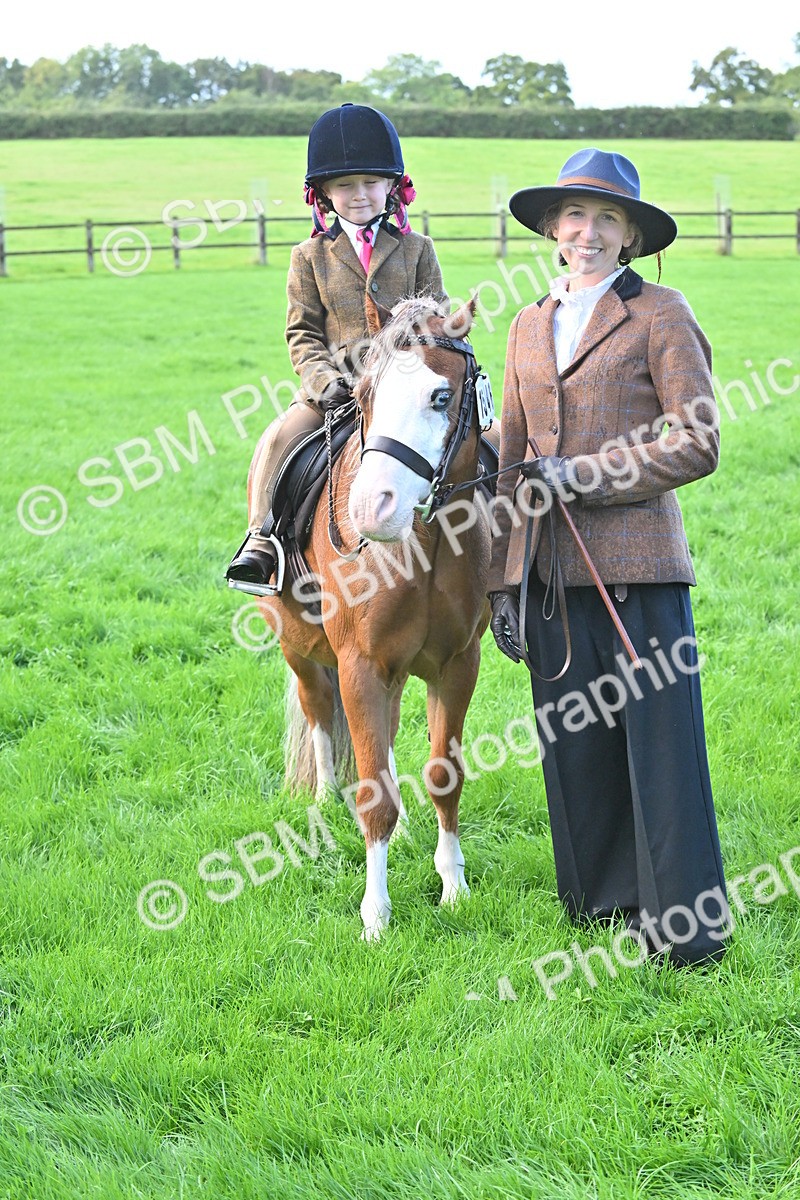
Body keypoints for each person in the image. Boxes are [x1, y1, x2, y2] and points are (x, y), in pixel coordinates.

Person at [488, 147, 729, 966]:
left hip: (640, 569)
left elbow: (698, 443)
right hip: (551, 577)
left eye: (608, 220)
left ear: (630, 238)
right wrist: (503, 582)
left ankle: (686, 933)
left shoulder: (660, 312)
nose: (588, 233)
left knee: (660, 751)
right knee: (574, 748)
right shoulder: (525, 324)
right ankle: (602, 907)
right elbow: (513, 460)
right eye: (576, 217)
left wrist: (583, 478)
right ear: (555, 230)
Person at [225, 103, 448, 594]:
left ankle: (488, 545)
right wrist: (325, 381)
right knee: (282, 436)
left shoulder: (418, 250)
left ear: (391, 186)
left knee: (475, 441)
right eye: (346, 185)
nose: (360, 195)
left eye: (371, 182)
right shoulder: (308, 256)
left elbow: (438, 324)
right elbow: (302, 333)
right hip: (334, 393)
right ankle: (262, 540)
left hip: (403, 390)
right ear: (324, 193)